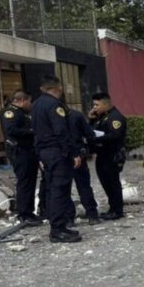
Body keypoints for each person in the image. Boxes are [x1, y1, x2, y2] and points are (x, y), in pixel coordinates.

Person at [32, 75, 83, 243]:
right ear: (58, 89)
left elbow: (37, 132)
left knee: (52, 189)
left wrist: (39, 154)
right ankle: (58, 229)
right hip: (57, 153)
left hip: (45, 153)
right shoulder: (54, 105)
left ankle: (58, 227)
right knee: (59, 191)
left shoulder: (36, 105)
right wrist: (74, 153)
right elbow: (61, 132)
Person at [0, 90, 44, 226]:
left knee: (30, 182)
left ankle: (29, 212)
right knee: (24, 182)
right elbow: (11, 130)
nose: (30, 104)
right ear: (22, 100)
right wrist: (32, 132)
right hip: (20, 152)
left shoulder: (22, 113)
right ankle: (24, 214)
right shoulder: (10, 112)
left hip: (28, 151)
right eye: (29, 101)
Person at [89, 92, 127, 220]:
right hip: (103, 155)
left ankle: (117, 210)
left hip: (112, 155)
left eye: (96, 105)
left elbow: (115, 135)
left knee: (112, 183)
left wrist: (96, 139)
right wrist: (91, 119)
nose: (94, 107)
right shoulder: (103, 117)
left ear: (105, 104)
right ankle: (112, 208)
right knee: (105, 182)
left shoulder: (115, 117)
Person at [67, 108, 100, 225]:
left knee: (64, 189)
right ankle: (92, 214)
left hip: (61, 155)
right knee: (84, 186)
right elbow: (89, 134)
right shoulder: (76, 115)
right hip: (78, 154)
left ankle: (69, 218)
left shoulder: (49, 115)